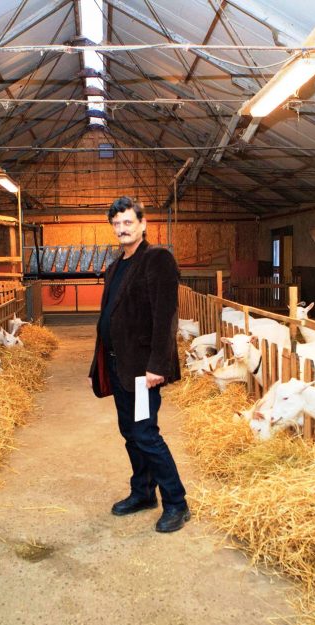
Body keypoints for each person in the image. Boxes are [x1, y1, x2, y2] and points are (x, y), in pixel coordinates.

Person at [88, 196, 189, 533]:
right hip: (119, 367)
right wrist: (100, 363)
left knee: (146, 434)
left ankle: (176, 502)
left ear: (143, 224)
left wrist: (157, 365)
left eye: (128, 222)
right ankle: (143, 493)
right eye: (117, 224)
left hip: (143, 371)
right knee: (130, 433)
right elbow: (109, 317)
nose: (122, 229)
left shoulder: (156, 259)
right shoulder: (116, 266)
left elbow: (165, 316)